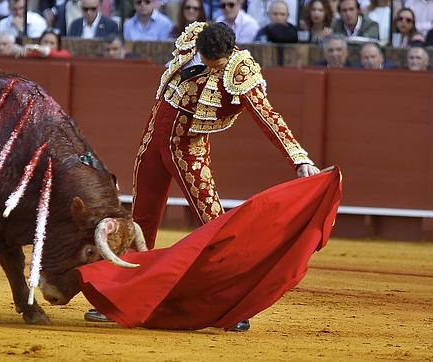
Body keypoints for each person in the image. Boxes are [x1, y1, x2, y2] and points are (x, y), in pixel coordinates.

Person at [84, 22, 320, 332]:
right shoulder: (194, 40)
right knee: (141, 220)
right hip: (155, 138)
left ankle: (231, 305)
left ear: (228, 53)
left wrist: (299, 158)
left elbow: (268, 116)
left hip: (189, 149)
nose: (210, 68)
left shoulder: (240, 71)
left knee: (215, 225)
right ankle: (120, 300)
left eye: (216, 64)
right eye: (206, 60)